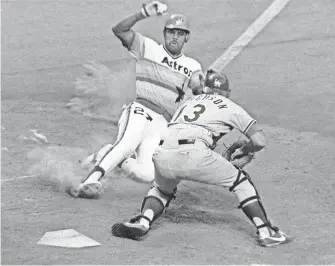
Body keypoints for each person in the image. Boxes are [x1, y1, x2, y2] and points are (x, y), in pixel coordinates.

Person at [111, 69, 294, 247]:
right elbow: (259, 141)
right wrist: (245, 150)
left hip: (162, 152)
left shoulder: (188, 102)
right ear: (227, 93)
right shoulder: (230, 106)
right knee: (241, 182)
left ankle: (143, 220)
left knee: (162, 189)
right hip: (193, 153)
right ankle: (266, 232)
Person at [70, 1, 204, 199]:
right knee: (127, 143)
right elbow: (119, 30)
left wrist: (201, 87)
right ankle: (89, 181)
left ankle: (105, 153)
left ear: (186, 37)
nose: (175, 37)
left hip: (161, 123)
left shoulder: (193, 66)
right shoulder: (148, 47)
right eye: (171, 32)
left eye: (180, 33)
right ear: (165, 33)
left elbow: (198, 97)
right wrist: (142, 13)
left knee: (148, 173)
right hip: (141, 109)